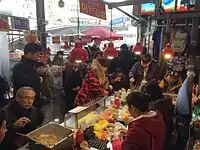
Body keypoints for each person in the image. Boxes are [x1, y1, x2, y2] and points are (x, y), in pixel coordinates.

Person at [142, 82, 174, 149]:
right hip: (167, 136)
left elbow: (146, 125)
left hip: (157, 140)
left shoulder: (155, 107)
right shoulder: (166, 101)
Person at [12, 43, 43, 109]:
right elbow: (24, 84)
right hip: (25, 103)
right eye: (37, 54)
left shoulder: (32, 65)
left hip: (33, 100)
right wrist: (38, 79)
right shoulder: (20, 67)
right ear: (29, 53)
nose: (38, 57)